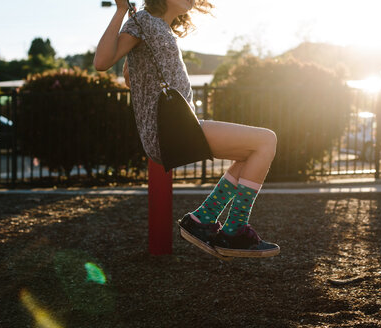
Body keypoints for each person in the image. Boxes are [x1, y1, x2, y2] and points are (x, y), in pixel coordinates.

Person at [94, 0, 279, 259]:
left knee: (250, 152)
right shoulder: (143, 20)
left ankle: (203, 218)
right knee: (266, 141)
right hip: (171, 131)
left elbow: (132, 70)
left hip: (179, 129)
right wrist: (121, 10)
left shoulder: (158, 28)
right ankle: (235, 230)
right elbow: (102, 61)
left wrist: (134, 67)